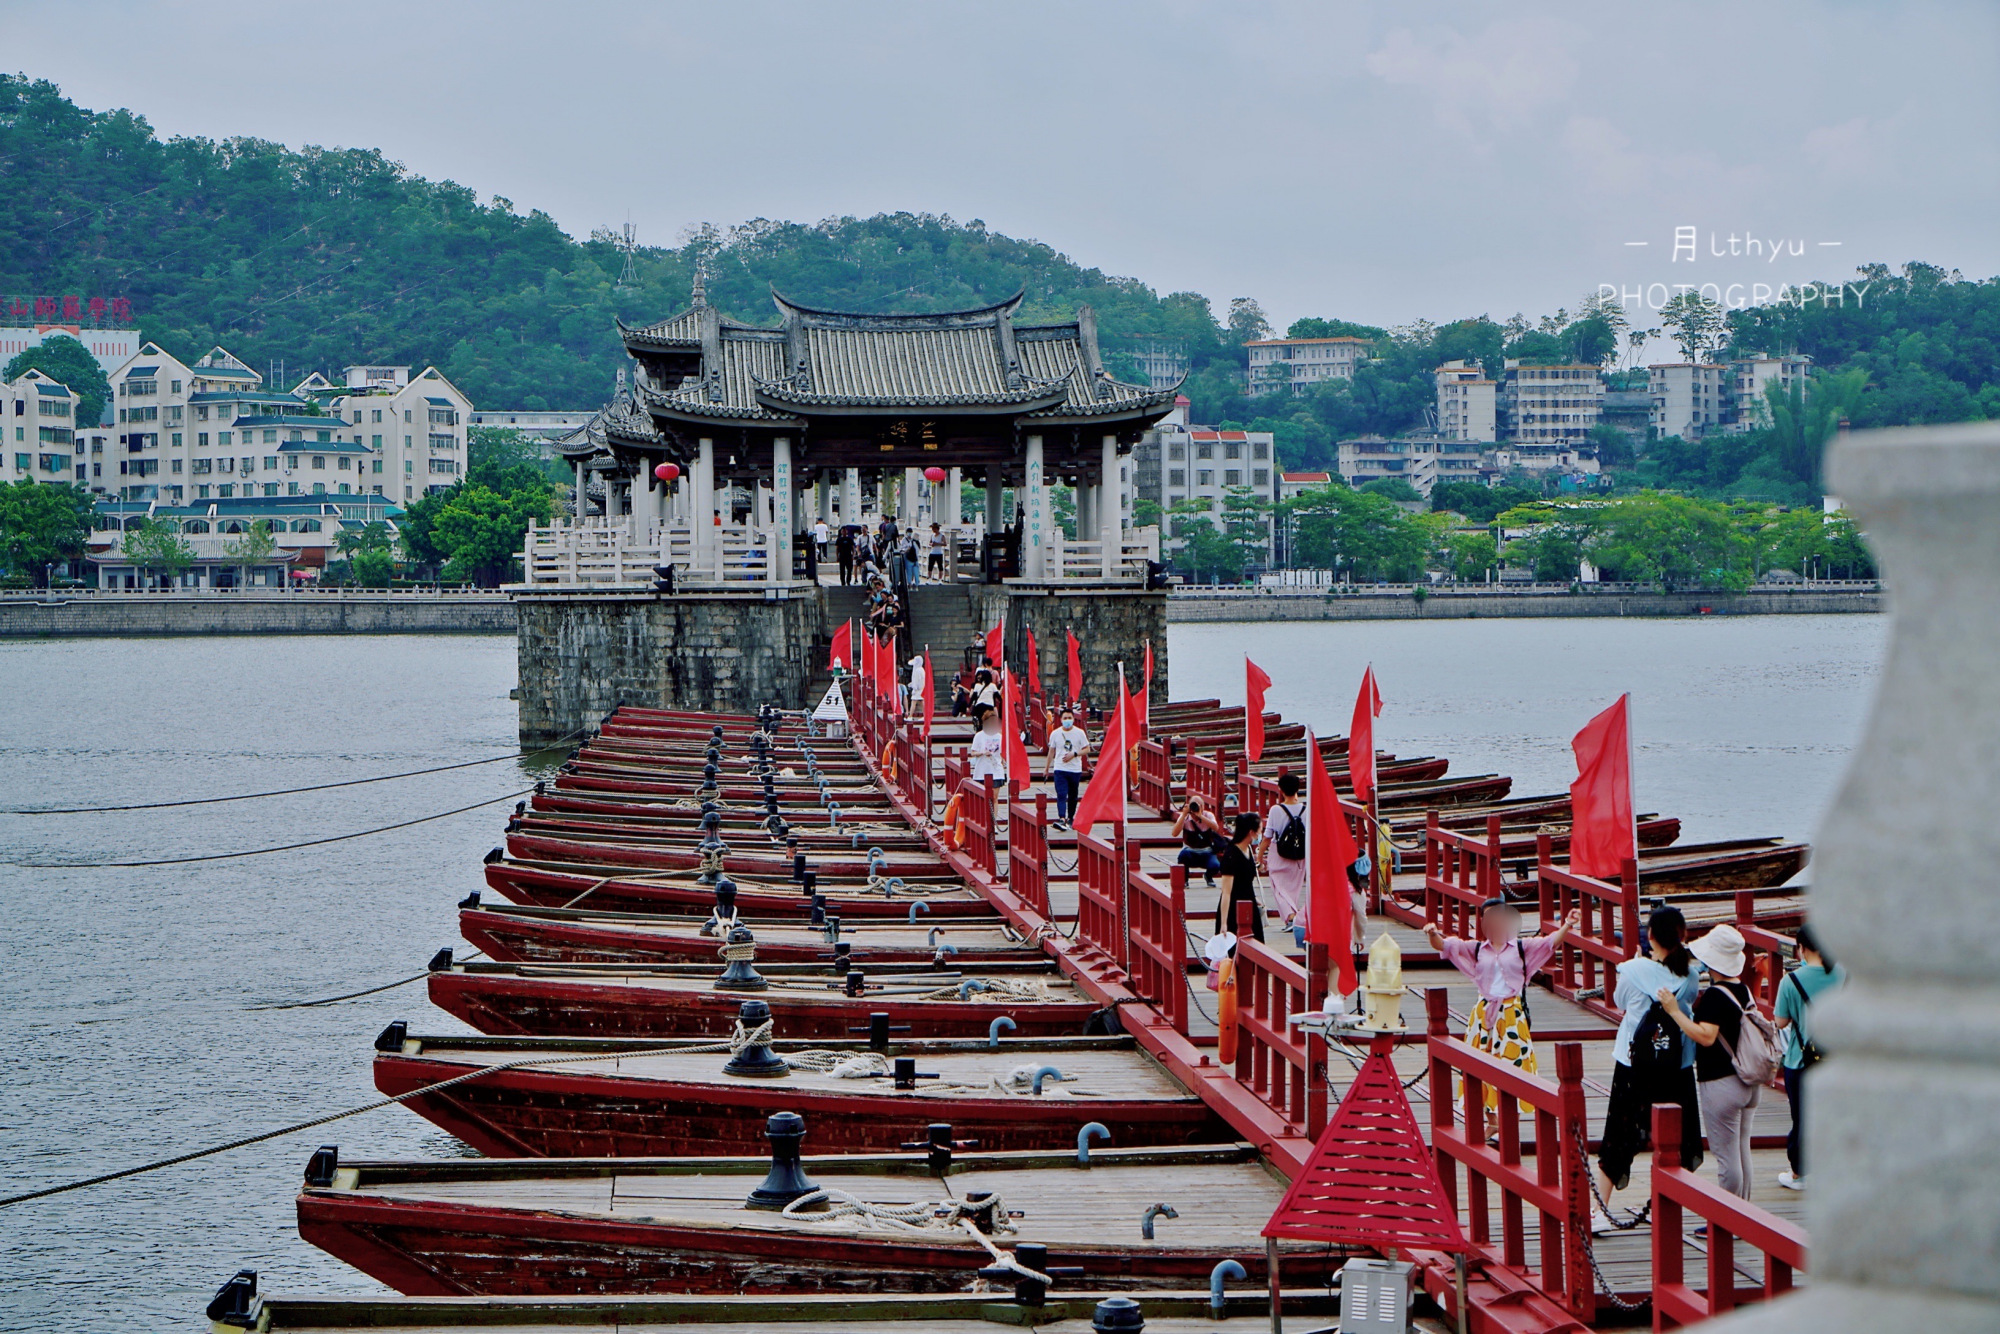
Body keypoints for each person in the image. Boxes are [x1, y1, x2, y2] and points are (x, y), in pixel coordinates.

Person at [1594, 904, 1702, 1231]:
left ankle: (1600, 1211)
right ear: (1681, 936)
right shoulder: (1690, 975)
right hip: (1675, 1064)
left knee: (1618, 1134)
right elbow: (1690, 1004)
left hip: (1633, 1062)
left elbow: (1620, 1002)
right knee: (1673, 1134)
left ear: (1651, 936)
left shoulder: (1632, 971)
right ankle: (1663, 1202)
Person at [1425, 900, 1581, 1105]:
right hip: (1484, 1012)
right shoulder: (1478, 948)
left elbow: (1550, 942)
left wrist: (1567, 925)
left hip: (1511, 1012)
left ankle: (1508, 1115)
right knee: (1479, 1062)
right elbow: (1445, 946)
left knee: (1512, 1062)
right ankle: (1491, 1120)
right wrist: (1432, 933)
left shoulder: (1520, 946)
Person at [1657, 923, 1759, 1201]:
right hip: (1748, 1079)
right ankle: (1743, 1211)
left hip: (1721, 1081)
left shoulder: (1715, 995)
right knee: (1741, 1149)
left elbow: (1706, 1036)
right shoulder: (1744, 990)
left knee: (1726, 1157)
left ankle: (1727, 1219)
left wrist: (1675, 1012)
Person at [1772, 923, 1840, 1191]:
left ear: (1801, 948)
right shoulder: (1844, 975)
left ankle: (1800, 1173)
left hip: (1801, 1060)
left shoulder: (1791, 981)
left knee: (1801, 1117)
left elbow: (1780, 1021)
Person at [1256, 773, 1308, 928]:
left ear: (1281, 790)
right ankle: (1293, 917)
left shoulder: (1276, 810)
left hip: (1279, 852)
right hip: (1300, 854)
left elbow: (1267, 837)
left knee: (1279, 887)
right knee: (1294, 887)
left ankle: (1292, 917)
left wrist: (1259, 857)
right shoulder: (1306, 809)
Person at [1214, 812, 1265, 943]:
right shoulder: (1231, 855)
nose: (1260, 834)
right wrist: (1223, 923)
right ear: (1251, 832)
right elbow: (1226, 892)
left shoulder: (1248, 848)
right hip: (1233, 906)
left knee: (1257, 943)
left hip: (1250, 902)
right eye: (1259, 831)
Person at [1045, 706, 1091, 828]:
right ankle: (1061, 818)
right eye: (1065, 718)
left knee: (1072, 795)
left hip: (1074, 769)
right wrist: (1047, 768)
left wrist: (1074, 754)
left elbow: (1087, 749)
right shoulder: (1055, 733)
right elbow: (1051, 751)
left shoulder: (1079, 733)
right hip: (1060, 768)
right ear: (1060, 719)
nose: (1067, 720)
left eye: (1069, 718)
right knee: (1061, 793)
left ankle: (1070, 817)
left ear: (1073, 719)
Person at [1172, 796, 1223, 887]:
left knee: (1216, 865)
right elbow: (1174, 833)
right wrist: (1183, 815)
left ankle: (1208, 876)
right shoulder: (1186, 817)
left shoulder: (1208, 815)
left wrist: (1200, 816)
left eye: (1200, 806)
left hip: (1207, 851)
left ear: (1203, 807)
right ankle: (1185, 880)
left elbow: (1216, 828)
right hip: (1190, 851)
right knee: (1182, 856)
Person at [967, 706, 1005, 784]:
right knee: (983, 795)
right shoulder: (979, 736)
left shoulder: (1000, 737)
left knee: (994, 796)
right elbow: (973, 752)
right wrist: (982, 752)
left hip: (996, 771)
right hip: (981, 771)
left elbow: (1003, 753)